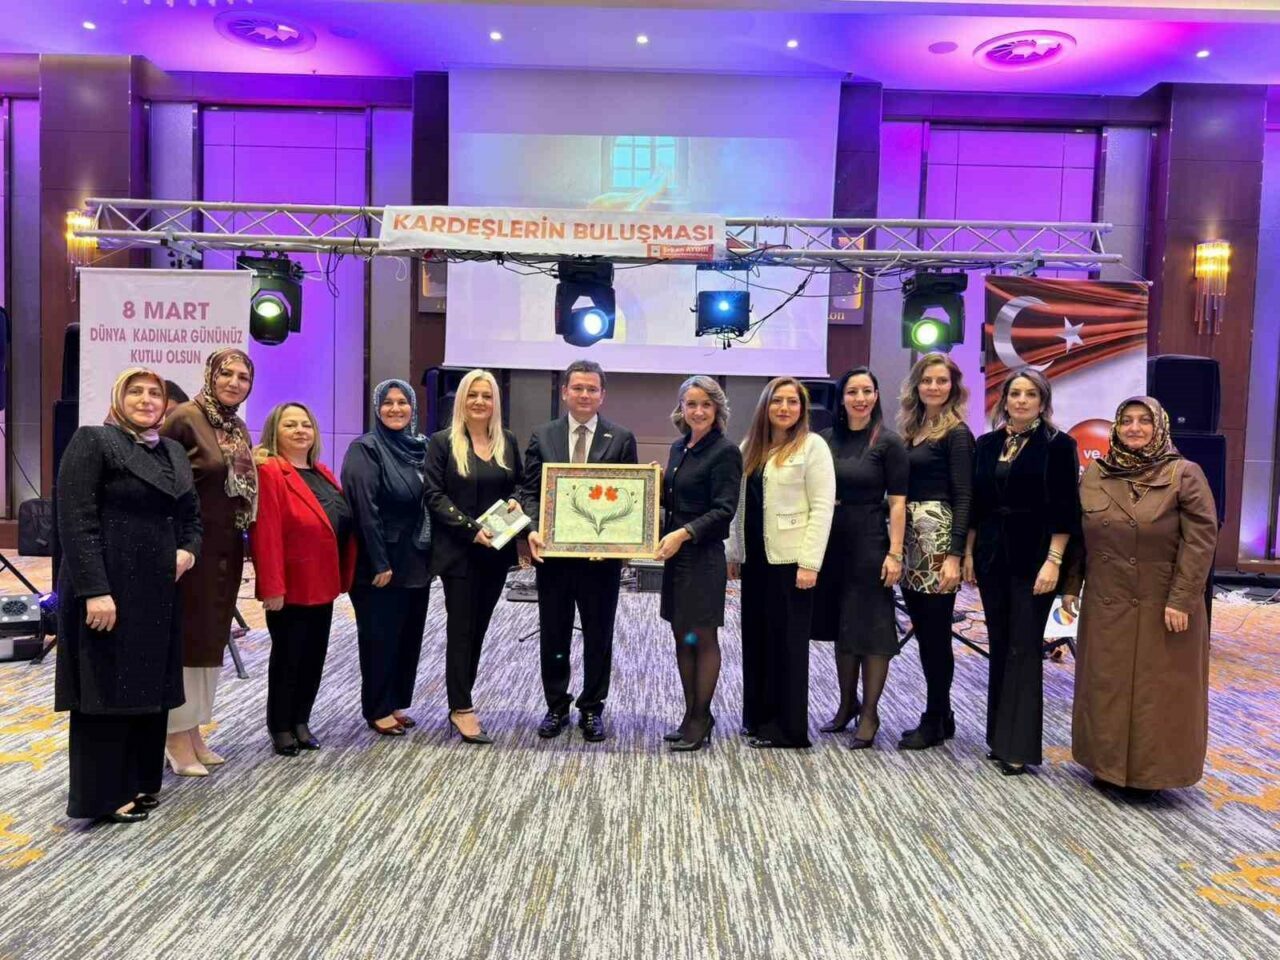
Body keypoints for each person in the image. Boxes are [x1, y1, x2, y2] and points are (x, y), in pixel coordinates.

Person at [55, 368, 201, 822]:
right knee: (106, 689)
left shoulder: (172, 450)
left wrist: (188, 550)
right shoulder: (94, 441)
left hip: (158, 589)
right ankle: (102, 795)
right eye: (135, 392)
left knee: (149, 688)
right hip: (109, 585)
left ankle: (138, 781)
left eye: (154, 393)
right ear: (119, 398)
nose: (146, 399)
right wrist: (95, 590)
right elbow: (76, 521)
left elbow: (191, 517)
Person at [1062, 397, 1218, 794]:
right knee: (1106, 685)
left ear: (1159, 427)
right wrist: (1071, 585)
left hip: (1162, 602)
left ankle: (1152, 775)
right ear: (1116, 427)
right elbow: (1080, 536)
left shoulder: (1184, 474)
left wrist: (1182, 599)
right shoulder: (1096, 473)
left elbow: (1200, 543)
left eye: (1144, 421)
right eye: (1127, 421)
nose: (1134, 428)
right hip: (1107, 599)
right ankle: (1106, 766)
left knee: (1157, 691)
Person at [964, 369, 1080, 775]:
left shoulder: (1059, 445)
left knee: (1024, 647)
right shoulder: (987, 443)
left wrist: (1054, 560)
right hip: (992, 557)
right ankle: (999, 738)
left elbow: (1065, 509)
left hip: (1035, 559)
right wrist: (968, 552)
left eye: (1031, 394)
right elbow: (977, 504)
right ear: (1004, 400)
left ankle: (1019, 747)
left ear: (1042, 402)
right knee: (1000, 644)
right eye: (1015, 393)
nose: (1022, 400)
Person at [521, 359, 638, 742]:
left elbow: (630, 498)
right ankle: (556, 706)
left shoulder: (621, 438)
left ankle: (592, 707)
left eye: (592, 389)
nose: (584, 395)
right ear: (564, 392)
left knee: (599, 635)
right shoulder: (543, 436)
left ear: (602, 395)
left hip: (601, 562)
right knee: (554, 634)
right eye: (578, 388)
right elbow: (530, 491)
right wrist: (532, 529)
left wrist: (621, 541)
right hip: (553, 559)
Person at [160, 348, 257, 776]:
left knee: (211, 639)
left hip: (227, 546)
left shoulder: (236, 426)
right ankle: (173, 735)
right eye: (227, 374)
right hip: (192, 548)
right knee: (186, 638)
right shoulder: (184, 418)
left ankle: (194, 729)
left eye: (243, 377)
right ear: (210, 375)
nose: (234, 382)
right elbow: (164, 483)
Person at [727, 377, 835, 749]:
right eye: (777, 401)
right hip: (756, 562)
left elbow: (822, 508)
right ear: (765, 406)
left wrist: (810, 563)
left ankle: (786, 729)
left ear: (802, 409)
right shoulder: (750, 447)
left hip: (791, 563)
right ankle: (757, 719)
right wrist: (733, 552)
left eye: (792, 401)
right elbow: (739, 506)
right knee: (757, 641)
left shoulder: (813, 446)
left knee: (787, 647)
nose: (784, 408)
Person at [424, 369, 524, 746]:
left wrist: (516, 501)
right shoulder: (442, 443)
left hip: (495, 553)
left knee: (478, 629)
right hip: (459, 554)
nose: (480, 401)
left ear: (495, 402)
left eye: (487, 395)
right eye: (473, 395)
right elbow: (434, 495)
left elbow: (520, 485)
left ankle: (463, 697)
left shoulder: (507, 441)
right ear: (461, 400)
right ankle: (461, 706)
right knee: (461, 630)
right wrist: (470, 529)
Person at [251, 402, 355, 757]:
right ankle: (280, 725)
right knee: (288, 658)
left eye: (305, 425)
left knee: (313, 657)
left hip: (322, 583)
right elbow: (266, 533)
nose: (300, 431)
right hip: (291, 586)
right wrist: (272, 586)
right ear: (275, 432)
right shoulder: (270, 471)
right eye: (290, 425)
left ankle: (301, 720)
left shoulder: (321, 471)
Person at [812, 367, 908, 750]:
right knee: (843, 626)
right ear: (842, 397)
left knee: (872, 630)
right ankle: (846, 705)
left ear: (876, 396)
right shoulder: (824, 440)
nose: (860, 398)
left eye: (867, 391)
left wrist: (895, 553)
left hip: (870, 541)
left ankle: (870, 713)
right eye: (853, 391)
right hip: (831, 542)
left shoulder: (889, 442)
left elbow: (898, 504)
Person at [341, 379, 433, 738]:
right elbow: (365, 510)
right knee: (379, 637)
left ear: (413, 408)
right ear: (377, 409)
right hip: (380, 564)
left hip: (416, 562)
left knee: (406, 637)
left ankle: (394, 702)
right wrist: (379, 561)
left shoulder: (421, 447)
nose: (396, 409)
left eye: (403, 402)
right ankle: (377, 708)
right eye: (388, 403)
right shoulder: (365, 449)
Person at [656, 376, 742, 752]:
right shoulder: (679, 447)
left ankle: (701, 716)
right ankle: (691, 713)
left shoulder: (725, 451)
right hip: (677, 557)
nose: (698, 411)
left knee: (703, 637)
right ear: (681, 408)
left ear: (717, 408)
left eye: (706, 404)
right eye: (691, 404)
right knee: (682, 636)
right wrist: (651, 483)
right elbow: (674, 500)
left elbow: (724, 510)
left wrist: (683, 533)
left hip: (703, 557)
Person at [896, 352, 975, 751]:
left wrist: (955, 556)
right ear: (917, 385)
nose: (933, 387)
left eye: (942, 381)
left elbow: (964, 497)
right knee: (924, 630)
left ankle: (934, 716)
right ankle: (943, 717)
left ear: (953, 387)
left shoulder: (957, 433)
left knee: (935, 635)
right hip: (911, 541)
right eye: (927, 380)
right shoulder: (913, 429)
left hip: (938, 542)